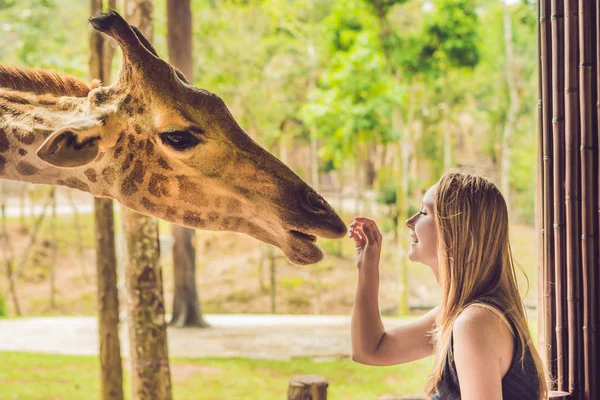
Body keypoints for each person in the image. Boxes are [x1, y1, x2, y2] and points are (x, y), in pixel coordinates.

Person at [349, 170, 548, 400]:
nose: (409, 222)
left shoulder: (475, 323)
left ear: (456, 233)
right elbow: (370, 350)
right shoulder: (462, 314)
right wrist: (368, 266)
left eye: (424, 212)